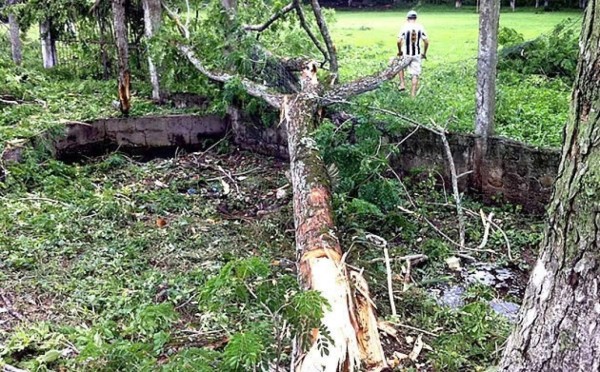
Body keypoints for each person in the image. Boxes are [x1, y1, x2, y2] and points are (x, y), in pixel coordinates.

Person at [397, 10, 429, 97]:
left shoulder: (404, 27)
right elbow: (426, 42)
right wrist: (424, 53)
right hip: (417, 54)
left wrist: (400, 51)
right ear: (416, 18)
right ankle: (413, 96)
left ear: (407, 18)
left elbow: (399, 41)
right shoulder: (420, 27)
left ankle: (402, 83)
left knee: (399, 66)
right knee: (415, 74)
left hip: (406, 53)